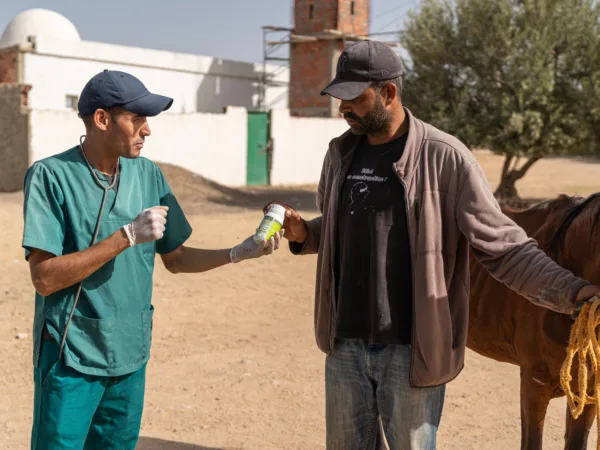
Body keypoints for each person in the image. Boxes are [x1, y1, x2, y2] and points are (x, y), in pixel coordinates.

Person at [264, 40, 600, 450]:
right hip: (345, 344)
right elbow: (343, 227)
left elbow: (505, 247)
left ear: (388, 93)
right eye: (340, 98)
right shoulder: (339, 154)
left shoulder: (446, 158)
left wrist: (574, 293)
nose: (343, 109)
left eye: (354, 97)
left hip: (411, 352)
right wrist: (305, 234)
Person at [22, 69, 281, 450]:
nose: (147, 130)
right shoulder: (50, 177)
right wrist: (125, 237)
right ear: (101, 119)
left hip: (129, 352)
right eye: (136, 118)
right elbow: (44, 278)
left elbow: (175, 257)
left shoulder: (148, 175)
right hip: (70, 355)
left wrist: (236, 253)